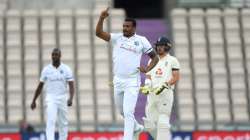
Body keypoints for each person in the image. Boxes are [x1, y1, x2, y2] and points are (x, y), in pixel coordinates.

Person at [96, 8, 159, 140]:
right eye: (124, 26)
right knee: (122, 112)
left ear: (134, 28)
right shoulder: (117, 38)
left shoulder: (141, 40)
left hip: (132, 81)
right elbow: (99, 33)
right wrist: (102, 18)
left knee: (129, 113)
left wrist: (147, 69)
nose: (124, 28)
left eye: (127, 27)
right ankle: (136, 128)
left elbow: (155, 58)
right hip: (118, 80)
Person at [141, 36, 180, 140]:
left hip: (165, 94)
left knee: (163, 121)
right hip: (152, 94)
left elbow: (176, 77)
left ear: (167, 47)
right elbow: (149, 76)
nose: (159, 48)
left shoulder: (173, 60)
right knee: (149, 123)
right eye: (158, 46)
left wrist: (165, 85)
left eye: (161, 46)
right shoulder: (151, 61)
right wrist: (147, 85)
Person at [30, 48, 74, 140]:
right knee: (51, 120)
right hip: (51, 97)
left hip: (62, 97)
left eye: (56, 54)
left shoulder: (66, 69)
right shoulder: (46, 70)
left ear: (60, 56)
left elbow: (71, 85)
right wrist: (34, 100)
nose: (54, 56)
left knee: (63, 122)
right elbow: (40, 86)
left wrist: (71, 98)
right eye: (53, 55)